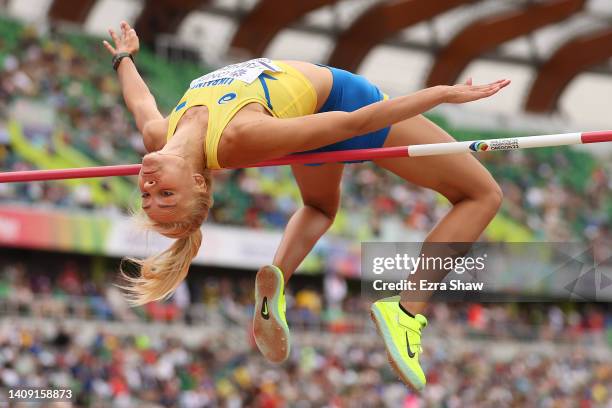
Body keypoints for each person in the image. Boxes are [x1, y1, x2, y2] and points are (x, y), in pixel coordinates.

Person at [104, 21, 509, 391]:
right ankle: (407, 311)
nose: (150, 186)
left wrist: (124, 57)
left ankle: (277, 277)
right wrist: (441, 93)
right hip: (347, 104)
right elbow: (351, 124)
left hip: (308, 123)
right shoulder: (237, 139)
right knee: (483, 195)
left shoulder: (159, 136)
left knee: (319, 207)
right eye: (166, 196)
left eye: (149, 196)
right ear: (196, 182)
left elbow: (139, 100)